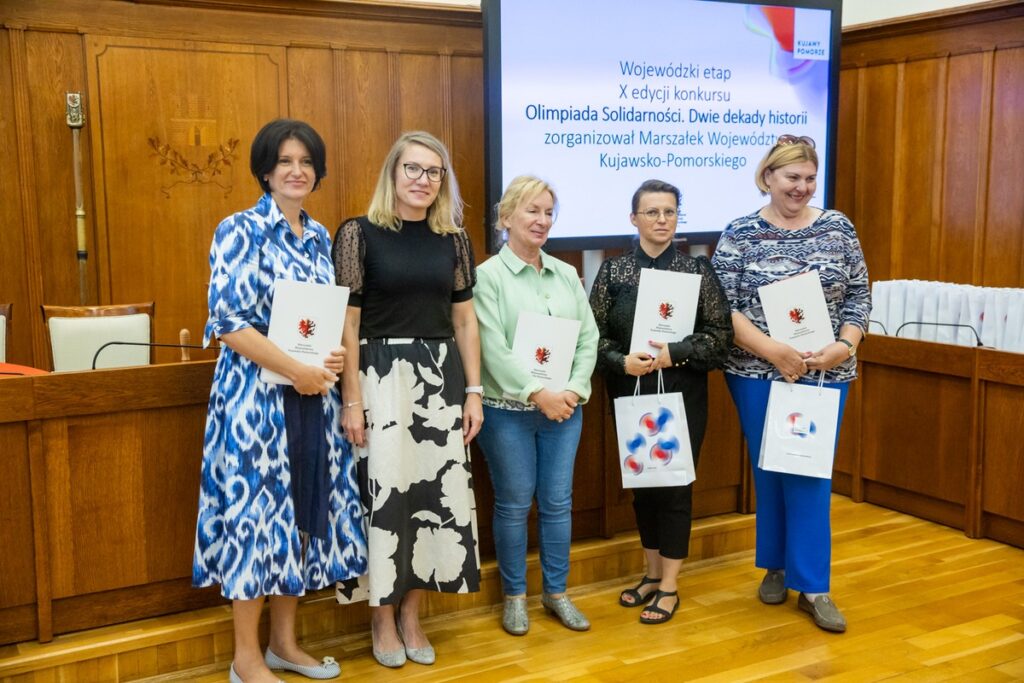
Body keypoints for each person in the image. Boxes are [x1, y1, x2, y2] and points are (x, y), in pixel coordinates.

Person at [193, 118, 368, 683]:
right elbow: (228, 324)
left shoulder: (318, 237)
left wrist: (333, 367)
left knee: (300, 519)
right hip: (255, 406)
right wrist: (296, 369)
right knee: (255, 521)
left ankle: (284, 645)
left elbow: (326, 321)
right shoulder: (238, 230)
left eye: (307, 162)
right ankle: (245, 658)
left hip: (311, 401)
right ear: (266, 171)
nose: (298, 171)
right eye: (286, 161)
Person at [332, 131, 482, 668]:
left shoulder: (453, 240)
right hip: (378, 377)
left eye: (433, 172)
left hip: (440, 380)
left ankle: (412, 614)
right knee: (382, 500)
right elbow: (346, 324)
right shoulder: (359, 233)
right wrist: (352, 400)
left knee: (432, 501)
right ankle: (380, 617)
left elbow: (464, 320)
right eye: (413, 169)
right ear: (392, 174)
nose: (423, 180)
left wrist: (474, 391)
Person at [712, 134, 870, 633]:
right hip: (757, 372)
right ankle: (775, 566)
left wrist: (842, 347)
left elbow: (861, 296)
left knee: (809, 475)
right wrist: (773, 351)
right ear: (768, 178)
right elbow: (721, 307)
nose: (801, 187)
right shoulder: (739, 232)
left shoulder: (838, 228)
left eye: (808, 178)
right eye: (791, 178)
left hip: (825, 374)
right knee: (770, 471)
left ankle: (815, 586)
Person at [590, 179, 732, 625]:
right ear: (634, 219)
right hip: (630, 393)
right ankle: (651, 574)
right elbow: (591, 339)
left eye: (669, 212)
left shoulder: (697, 272)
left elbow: (720, 338)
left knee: (673, 487)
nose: (661, 220)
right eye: (651, 212)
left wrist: (677, 352)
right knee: (643, 486)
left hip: (681, 394)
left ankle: (670, 585)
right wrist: (619, 359)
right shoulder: (613, 273)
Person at [474, 176, 599, 636]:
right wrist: (537, 393)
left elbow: (588, 338)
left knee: (558, 503)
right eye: (532, 211)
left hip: (565, 410)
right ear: (506, 218)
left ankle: (557, 593)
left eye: (548, 212)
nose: (542, 220)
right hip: (506, 412)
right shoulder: (486, 277)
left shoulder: (566, 274)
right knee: (512, 504)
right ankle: (514, 598)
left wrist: (573, 390)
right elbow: (491, 347)